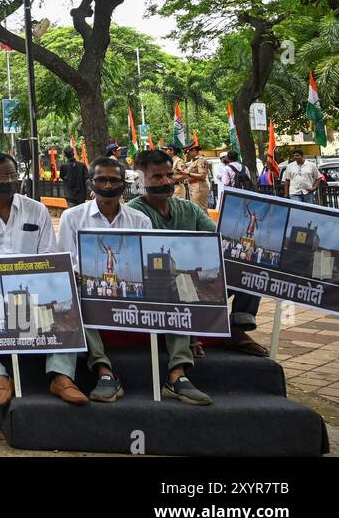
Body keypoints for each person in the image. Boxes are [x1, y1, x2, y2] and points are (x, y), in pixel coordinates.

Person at [60, 154, 212, 406]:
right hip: (91, 288)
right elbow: (68, 261)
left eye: (113, 180)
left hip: (133, 288)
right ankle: (103, 372)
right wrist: (80, 277)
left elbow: (147, 260)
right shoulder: (72, 217)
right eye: (101, 180)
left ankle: (178, 375)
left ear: (123, 184)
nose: (107, 186)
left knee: (175, 287)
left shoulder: (139, 220)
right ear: (91, 183)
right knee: (74, 293)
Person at [0, 153, 85, 408]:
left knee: (68, 298)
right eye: (0, 176)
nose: (7, 181)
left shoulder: (36, 209)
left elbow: (49, 255)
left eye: (12, 175)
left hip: (33, 288)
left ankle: (61, 375)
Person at [127, 148, 266, 359]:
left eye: (169, 175)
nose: (166, 181)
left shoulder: (188, 209)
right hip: (157, 284)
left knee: (249, 263)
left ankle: (236, 328)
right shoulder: (132, 213)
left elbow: (218, 240)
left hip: (195, 276)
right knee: (181, 279)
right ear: (140, 179)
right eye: (157, 176)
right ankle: (187, 336)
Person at [180, 142, 211, 209]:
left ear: (194, 150)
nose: (187, 154)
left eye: (188, 152)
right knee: (196, 210)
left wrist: (188, 174)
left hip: (199, 187)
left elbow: (203, 176)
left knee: (201, 210)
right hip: (193, 187)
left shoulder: (201, 160)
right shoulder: (194, 161)